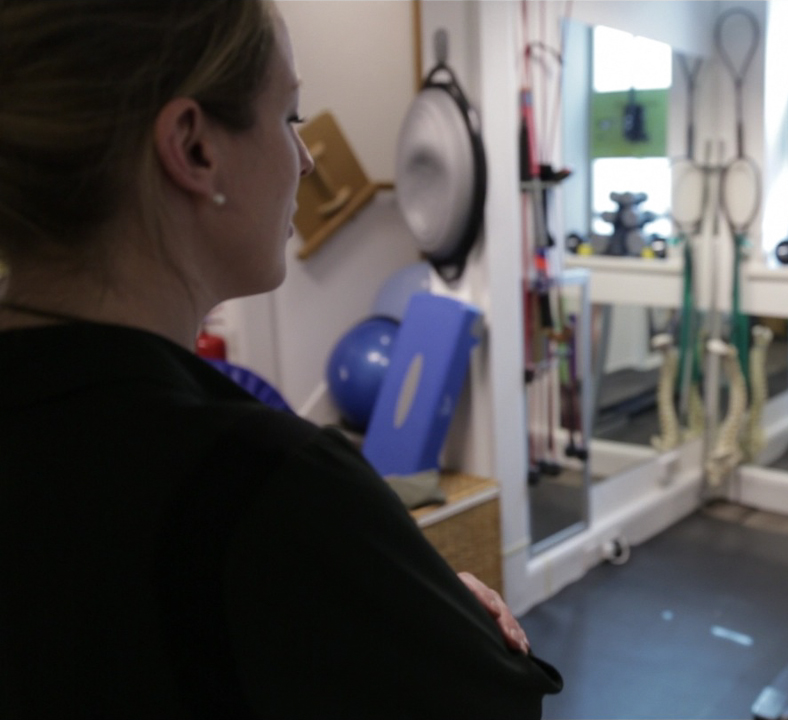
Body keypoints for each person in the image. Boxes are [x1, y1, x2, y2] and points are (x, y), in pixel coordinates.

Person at [0, 2, 561, 717]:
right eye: (290, 116)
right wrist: (418, 615)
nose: (305, 157)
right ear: (194, 149)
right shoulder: (268, 486)